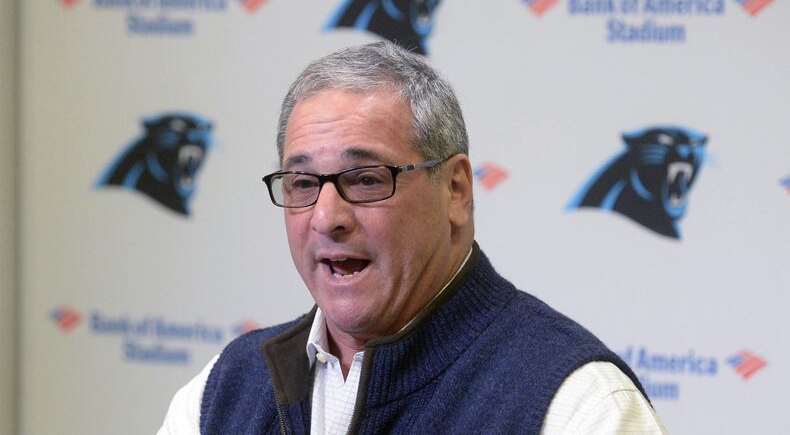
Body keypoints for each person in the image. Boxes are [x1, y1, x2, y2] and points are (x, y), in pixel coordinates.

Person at [158, 41, 668, 434]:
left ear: (456, 190)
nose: (326, 216)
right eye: (304, 184)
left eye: (366, 179)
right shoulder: (223, 391)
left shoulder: (577, 404)